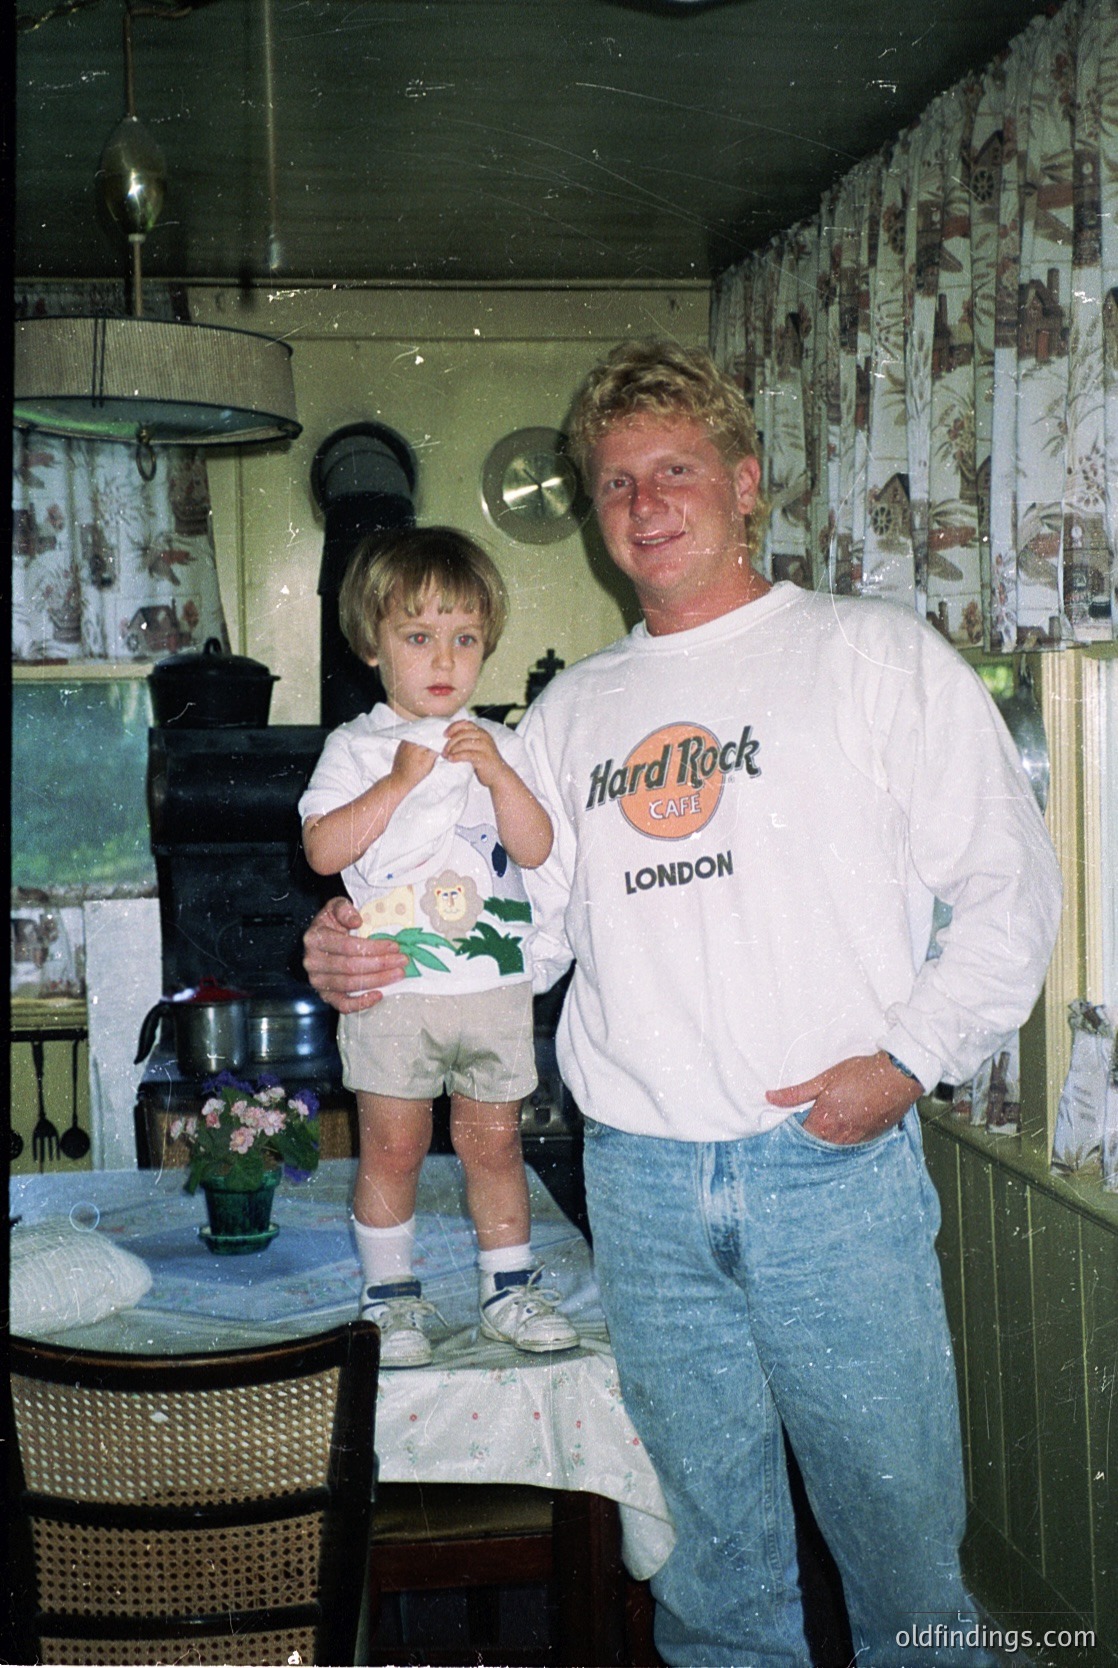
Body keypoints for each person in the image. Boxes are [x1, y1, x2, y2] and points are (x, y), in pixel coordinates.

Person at [302, 344, 1062, 1665]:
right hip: (642, 1185)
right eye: (613, 485)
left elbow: (1010, 895)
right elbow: (514, 938)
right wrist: (355, 943)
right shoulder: (567, 717)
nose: (644, 504)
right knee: (709, 1582)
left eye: (673, 472)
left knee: (907, 1581)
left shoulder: (872, 656)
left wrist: (905, 1062)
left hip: (827, 1174)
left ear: (744, 484)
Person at [299, 525, 577, 1368]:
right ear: (372, 646)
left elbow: (533, 849)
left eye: (463, 638)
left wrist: (498, 774)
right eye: (418, 637)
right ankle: (389, 1302)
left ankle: (508, 1290)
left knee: (494, 1144)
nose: (443, 659)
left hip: (491, 990)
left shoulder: (504, 744)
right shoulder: (355, 748)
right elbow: (323, 851)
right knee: (394, 1145)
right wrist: (396, 783)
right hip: (396, 988)